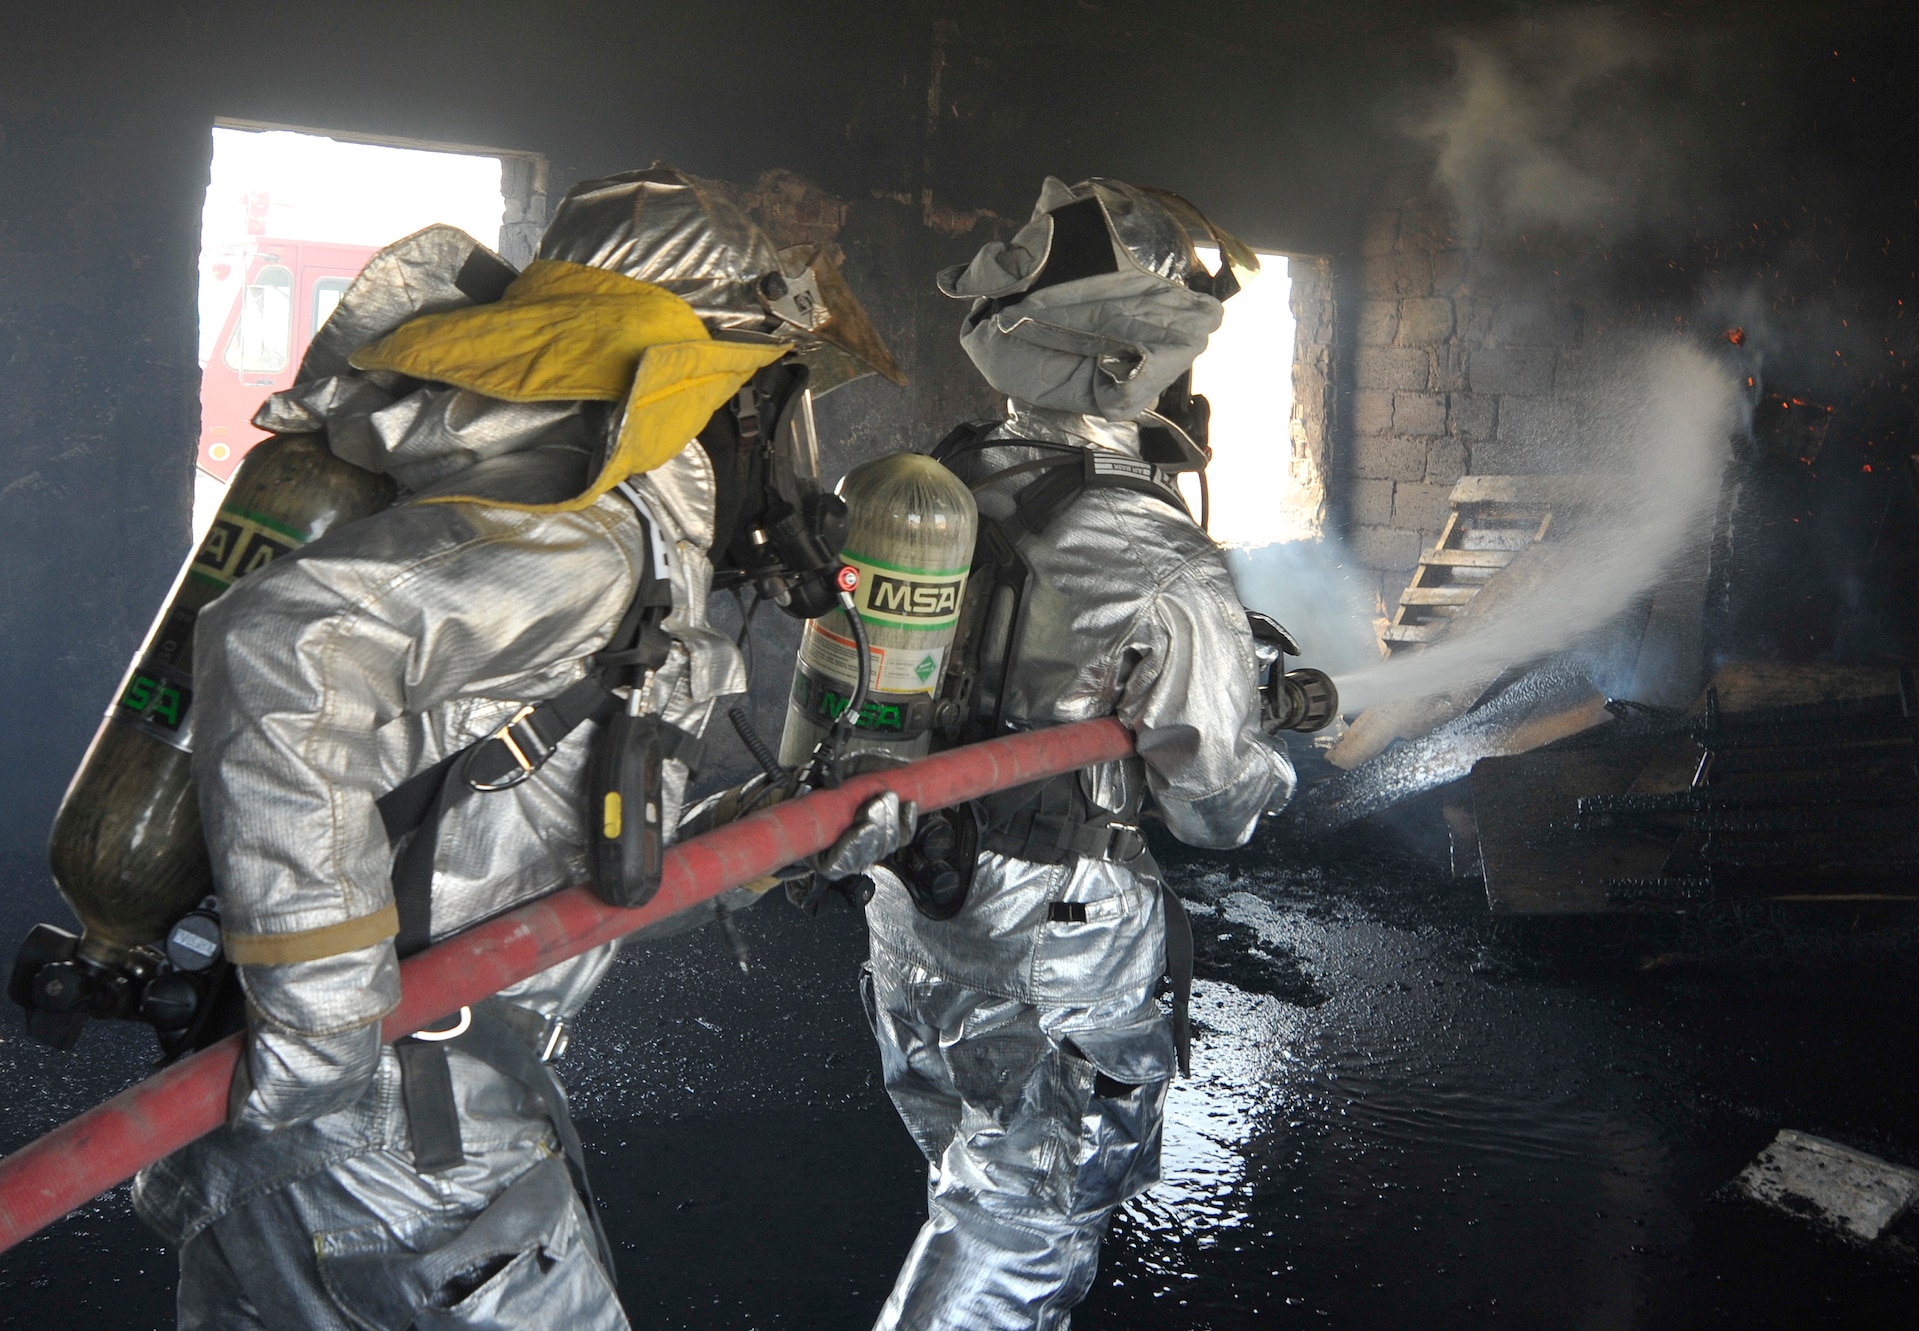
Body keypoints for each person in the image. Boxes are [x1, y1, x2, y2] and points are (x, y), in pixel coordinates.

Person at [131, 166, 899, 1330]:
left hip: (319, 1137)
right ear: (710, 397)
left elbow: (532, 837)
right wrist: (327, 1022)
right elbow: (286, 645)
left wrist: (769, 840)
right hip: (405, 1143)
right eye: (770, 396)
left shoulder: (566, 526)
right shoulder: (585, 543)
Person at [852, 176, 1297, 1331]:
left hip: (910, 893)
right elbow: (1213, 799)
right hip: (1058, 926)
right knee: (1024, 1212)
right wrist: (1269, 757)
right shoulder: (1156, 547)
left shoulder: (939, 487)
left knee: (968, 1163)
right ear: (1128, 366)